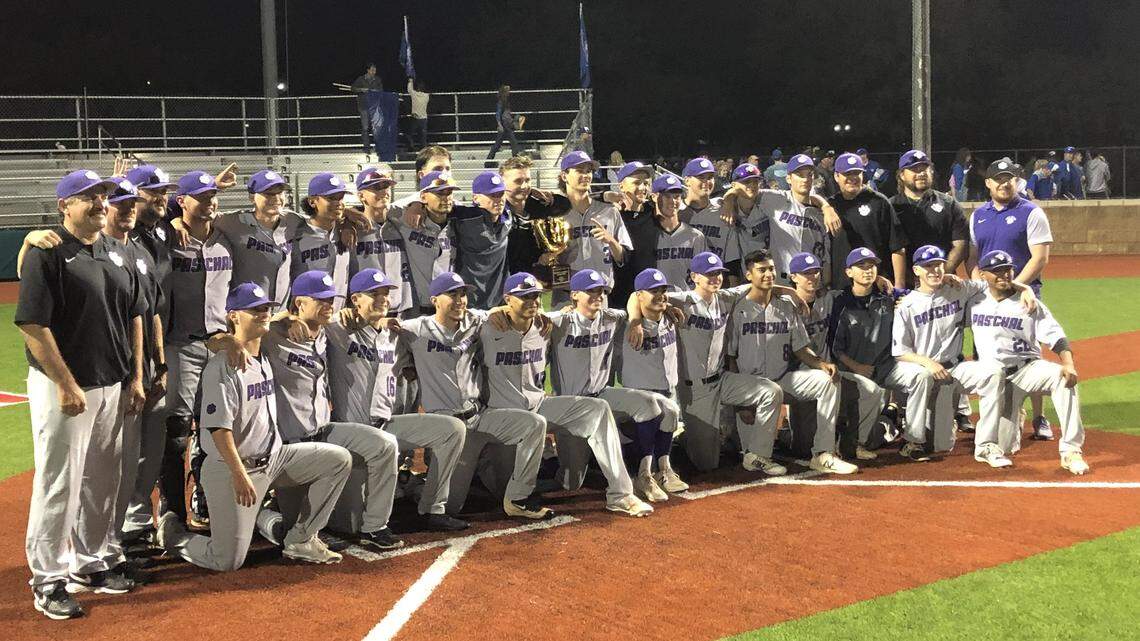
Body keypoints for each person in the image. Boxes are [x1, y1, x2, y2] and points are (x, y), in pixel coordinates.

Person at [19, 170, 147, 619]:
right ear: (64, 206)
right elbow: (34, 323)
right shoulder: (47, 251)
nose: (99, 202)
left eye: (103, 195)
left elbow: (133, 315)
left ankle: (91, 562)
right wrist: (65, 382)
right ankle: (48, 578)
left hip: (112, 383)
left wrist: (134, 377)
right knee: (59, 483)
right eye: (88, 196)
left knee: (101, 480)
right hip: (66, 388)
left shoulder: (115, 250)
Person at [156, 283, 352, 570]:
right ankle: (172, 535)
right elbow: (218, 430)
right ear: (234, 316)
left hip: (274, 460)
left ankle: (301, 538)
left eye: (265, 309)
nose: (263, 314)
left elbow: (281, 320)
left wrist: (287, 317)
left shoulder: (264, 357)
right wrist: (239, 475)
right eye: (254, 310)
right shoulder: (223, 366)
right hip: (234, 467)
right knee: (227, 560)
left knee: (337, 460)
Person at [480, 272, 653, 517]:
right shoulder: (488, 326)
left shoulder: (546, 324)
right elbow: (456, 315)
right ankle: (484, 466)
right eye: (524, 297)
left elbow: (636, 300)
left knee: (598, 408)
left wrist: (636, 321)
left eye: (535, 296)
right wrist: (494, 311)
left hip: (537, 407)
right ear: (508, 299)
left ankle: (621, 494)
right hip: (502, 417)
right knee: (495, 489)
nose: (532, 301)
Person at [394, 272, 553, 519]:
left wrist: (504, 309)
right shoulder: (414, 329)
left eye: (463, 294)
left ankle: (519, 497)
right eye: (452, 294)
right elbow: (381, 327)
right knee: (452, 507)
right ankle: (417, 484)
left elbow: (504, 310)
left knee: (534, 424)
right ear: (434, 299)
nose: (460, 300)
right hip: (446, 429)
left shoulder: (476, 321)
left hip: (479, 417)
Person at [328, 269, 470, 531]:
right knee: (348, 525)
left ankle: (432, 509)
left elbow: (429, 338)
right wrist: (338, 314)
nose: (383, 299)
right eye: (374, 294)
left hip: (386, 425)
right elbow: (298, 321)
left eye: (386, 294)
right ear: (355, 299)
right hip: (349, 431)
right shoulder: (337, 328)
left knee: (452, 430)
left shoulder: (397, 334)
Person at [547, 269, 684, 502]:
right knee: (572, 482)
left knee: (657, 405)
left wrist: (637, 320)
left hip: (603, 395)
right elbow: (522, 317)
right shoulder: (559, 321)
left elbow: (635, 298)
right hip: (571, 406)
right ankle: (550, 459)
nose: (598, 296)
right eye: (591, 292)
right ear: (574, 295)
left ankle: (645, 474)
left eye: (601, 291)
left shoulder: (612, 317)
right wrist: (501, 310)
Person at [893, 245, 1036, 467]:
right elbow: (900, 352)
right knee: (941, 446)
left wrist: (1023, 287)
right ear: (916, 270)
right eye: (928, 266)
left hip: (955, 369)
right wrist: (928, 363)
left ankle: (986, 445)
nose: (934, 271)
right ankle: (915, 438)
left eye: (939, 265)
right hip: (925, 371)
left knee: (992, 373)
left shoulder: (959, 288)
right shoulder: (906, 305)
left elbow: (994, 282)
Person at [726, 250, 858, 475]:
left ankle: (824, 453)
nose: (768, 274)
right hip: (751, 387)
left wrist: (820, 364)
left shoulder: (786, 306)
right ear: (748, 275)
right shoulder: (738, 309)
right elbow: (730, 357)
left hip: (781, 380)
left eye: (771, 269)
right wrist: (741, 404)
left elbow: (800, 347)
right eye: (762, 270)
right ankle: (756, 452)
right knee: (742, 456)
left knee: (827, 380)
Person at [968, 250, 1089, 474]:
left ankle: (1071, 450)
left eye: (1007, 269)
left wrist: (1068, 364)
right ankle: (1016, 412)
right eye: (997, 271)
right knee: (1004, 446)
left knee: (1063, 380)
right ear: (983, 275)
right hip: (998, 380)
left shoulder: (1028, 303)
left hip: (1028, 369)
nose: (1004, 275)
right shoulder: (973, 300)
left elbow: (1056, 336)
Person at [100, 177, 167, 576]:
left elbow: (150, 312)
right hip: (112, 372)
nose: (125, 210)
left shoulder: (140, 251)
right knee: (111, 464)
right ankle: (103, 544)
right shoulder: (97, 249)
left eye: (129, 203)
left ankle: (125, 535)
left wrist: (159, 364)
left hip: (143, 369)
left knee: (146, 453)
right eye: (118, 203)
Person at [667, 252, 785, 473]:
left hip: (721, 381)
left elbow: (761, 285)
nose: (715, 278)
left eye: (718, 274)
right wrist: (641, 319)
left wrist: (793, 294)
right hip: (695, 390)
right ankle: (685, 437)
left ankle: (757, 455)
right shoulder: (681, 300)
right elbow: (638, 296)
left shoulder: (725, 297)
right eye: (709, 274)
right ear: (695, 276)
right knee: (707, 463)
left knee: (771, 391)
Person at [162, 172, 234, 531]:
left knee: (215, 427)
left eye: (213, 195)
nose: (209, 202)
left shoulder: (227, 237)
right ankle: (171, 511)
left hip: (219, 345)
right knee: (175, 430)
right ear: (182, 201)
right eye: (200, 196)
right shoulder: (169, 238)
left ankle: (205, 498)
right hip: (180, 344)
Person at [967, 158, 1054, 439]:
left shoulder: (1031, 212)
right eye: (999, 178)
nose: (1005, 183)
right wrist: (981, 283)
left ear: (1017, 181)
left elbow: (1040, 258)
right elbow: (973, 258)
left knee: (1029, 355)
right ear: (988, 183)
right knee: (987, 355)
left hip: (1022, 294)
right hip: (989, 296)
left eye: (1010, 178)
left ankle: (1039, 417)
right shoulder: (978, 215)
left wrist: (1013, 285)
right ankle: (991, 415)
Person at [787, 251, 885, 462]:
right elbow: (753, 290)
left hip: (828, 373)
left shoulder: (829, 300)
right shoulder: (783, 304)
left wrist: (880, 281)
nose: (812, 277)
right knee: (802, 447)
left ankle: (853, 443)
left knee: (871, 391)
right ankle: (788, 434)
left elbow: (859, 290)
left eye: (815, 272)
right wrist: (783, 289)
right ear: (793, 277)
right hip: (796, 377)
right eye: (806, 273)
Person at [618, 269, 689, 501]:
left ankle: (663, 470)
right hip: (639, 397)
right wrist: (636, 320)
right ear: (639, 295)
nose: (660, 295)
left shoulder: (669, 316)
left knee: (670, 415)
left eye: (663, 290)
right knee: (662, 414)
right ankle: (643, 474)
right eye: (653, 291)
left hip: (668, 390)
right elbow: (631, 297)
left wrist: (665, 306)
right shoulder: (625, 323)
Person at [723, 155, 841, 283]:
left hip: (811, 283)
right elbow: (742, 189)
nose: (805, 179)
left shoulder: (822, 213)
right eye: (800, 174)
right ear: (788, 178)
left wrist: (826, 206)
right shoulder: (775, 198)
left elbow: (826, 257)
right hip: (782, 281)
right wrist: (728, 202)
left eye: (809, 174)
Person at [550, 151, 632, 305]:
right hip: (565, 295)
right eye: (580, 171)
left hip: (599, 294)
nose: (586, 175)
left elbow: (624, 257)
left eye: (589, 171)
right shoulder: (554, 214)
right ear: (564, 176)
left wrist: (611, 241)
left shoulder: (609, 211)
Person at [826, 152, 907, 289]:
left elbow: (897, 246)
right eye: (847, 174)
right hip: (840, 287)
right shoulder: (831, 205)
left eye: (857, 173)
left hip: (876, 284)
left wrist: (899, 285)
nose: (853, 178)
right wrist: (824, 206)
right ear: (836, 176)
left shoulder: (878, 202)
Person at [890, 149, 969, 280]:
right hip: (903, 284)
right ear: (902, 175)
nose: (921, 173)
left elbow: (960, 245)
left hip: (942, 282)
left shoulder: (949, 204)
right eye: (914, 169)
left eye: (925, 168)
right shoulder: (890, 207)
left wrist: (938, 274)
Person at [291, 173, 353, 306]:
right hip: (307, 313)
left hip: (339, 313)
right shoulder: (294, 233)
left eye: (341, 198)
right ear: (312, 201)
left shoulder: (346, 229)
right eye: (331, 198)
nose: (338, 203)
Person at [680, 157, 741, 280]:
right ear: (687, 180)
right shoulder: (675, 212)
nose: (707, 182)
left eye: (710, 177)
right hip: (681, 284)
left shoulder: (723, 209)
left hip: (713, 283)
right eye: (701, 177)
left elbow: (732, 260)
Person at [648, 174, 708, 292]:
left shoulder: (695, 236)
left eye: (676, 196)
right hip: (655, 301)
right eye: (667, 196)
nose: (673, 201)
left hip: (687, 301)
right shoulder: (646, 234)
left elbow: (704, 274)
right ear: (654, 197)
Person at [609, 161, 657, 306]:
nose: (643, 187)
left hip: (649, 295)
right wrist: (605, 195)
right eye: (636, 182)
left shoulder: (654, 211)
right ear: (621, 186)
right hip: (617, 295)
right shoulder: (611, 214)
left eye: (646, 183)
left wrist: (729, 199)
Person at [351, 63, 384, 156]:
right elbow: (352, 88)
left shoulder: (377, 79)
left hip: (374, 106)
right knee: (365, 128)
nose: (374, 72)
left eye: (375, 70)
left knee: (376, 127)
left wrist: (375, 91)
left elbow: (381, 90)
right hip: (363, 106)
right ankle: (366, 147)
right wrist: (361, 89)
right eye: (372, 70)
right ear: (368, 70)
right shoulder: (361, 79)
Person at [486, 85, 524, 160]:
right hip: (505, 125)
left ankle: (489, 159)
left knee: (499, 143)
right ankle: (515, 159)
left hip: (507, 124)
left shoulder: (506, 101)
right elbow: (498, 114)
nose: (509, 92)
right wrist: (499, 124)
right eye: (508, 90)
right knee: (513, 143)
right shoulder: (501, 102)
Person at [407, 78, 430, 149]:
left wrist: (410, 81)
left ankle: (411, 146)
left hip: (415, 118)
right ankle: (422, 149)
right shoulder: (427, 96)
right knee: (423, 136)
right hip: (423, 118)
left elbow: (409, 90)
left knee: (409, 134)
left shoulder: (414, 94)